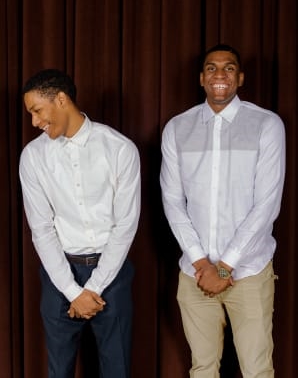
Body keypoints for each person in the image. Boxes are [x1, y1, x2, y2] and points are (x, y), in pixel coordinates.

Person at [160, 44, 286, 378]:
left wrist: (225, 268)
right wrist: (202, 263)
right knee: (201, 369)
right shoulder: (176, 128)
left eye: (229, 68)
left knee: (257, 370)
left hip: (249, 271)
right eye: (212, 68)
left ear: (240, 78)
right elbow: (173, 202)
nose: (220, 75)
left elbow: (267, 205)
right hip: (194, 274)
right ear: (202, 78)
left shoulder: (266, 125)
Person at [19, 69, 141, 378]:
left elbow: (124, 226)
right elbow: (42, 229)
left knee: (117, 368)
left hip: (111, 274)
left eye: (36, 110)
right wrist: (74, 292)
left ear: (61, 100)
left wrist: (95, 287)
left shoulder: (120, 149)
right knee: (59, 370)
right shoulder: (32, 156)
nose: (34, 122)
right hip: (59, 273)